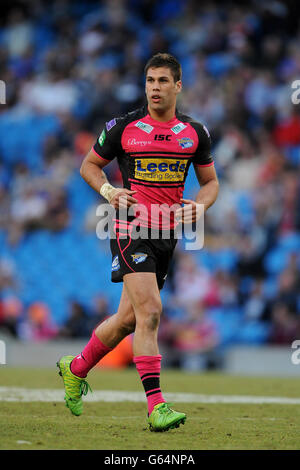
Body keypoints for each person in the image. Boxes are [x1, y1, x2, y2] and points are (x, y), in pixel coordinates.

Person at [57, 53, 219, 432]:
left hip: (167, 235)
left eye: (163, 81)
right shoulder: (123, 127)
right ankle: (156, 407)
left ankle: (75, 367)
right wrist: (110, 191)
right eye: (150, 81)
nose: (155, 88)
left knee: (128, 320)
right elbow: (88, 166)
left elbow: (211, 183)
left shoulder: (195, 132)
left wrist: (201, 205)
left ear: (178, 85)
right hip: (130, 227)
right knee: (151, 313)